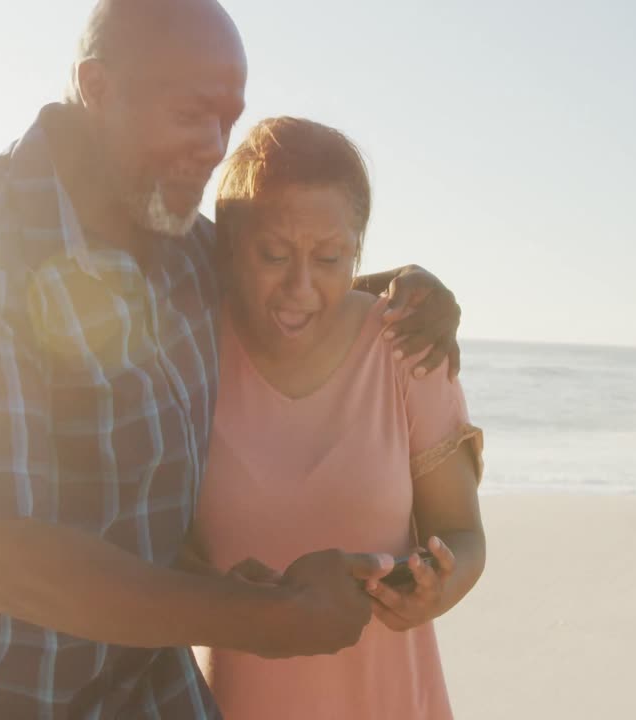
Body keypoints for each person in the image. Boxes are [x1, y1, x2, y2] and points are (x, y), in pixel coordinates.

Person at [0, 1, 463, 718]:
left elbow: (290, 285)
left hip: (152, 693)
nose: (215, 147)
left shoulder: (180, 247)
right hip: (2, 697)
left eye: (228, 119)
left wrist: (412, 292)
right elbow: (3, 565)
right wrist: (265, 619)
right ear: (99, 87)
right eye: (191, 113)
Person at [188, 117, 486, 719]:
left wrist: (435, 590)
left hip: (389, 699)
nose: (300, 287)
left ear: (357, 250)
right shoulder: (190, 356)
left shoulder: (409, 348)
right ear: (230, 247)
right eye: (273, 255)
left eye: (329, 258)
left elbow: (464, 536)